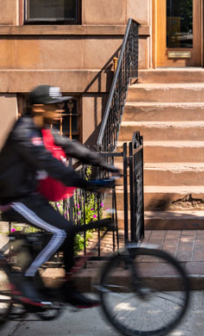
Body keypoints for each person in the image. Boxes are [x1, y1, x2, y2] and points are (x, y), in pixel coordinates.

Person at [0, 85, 120, 309]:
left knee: (70, 230)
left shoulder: (42, 129)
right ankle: (25, 279)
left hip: (30, 195)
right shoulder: (24, 132)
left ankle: (67, 289)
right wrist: (84, 183)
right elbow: (48, 162)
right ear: (38, 108)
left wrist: (103, 164)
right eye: (54, 105)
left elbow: (71, 146)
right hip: (14, 197)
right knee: (61, 231)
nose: (61, 109)